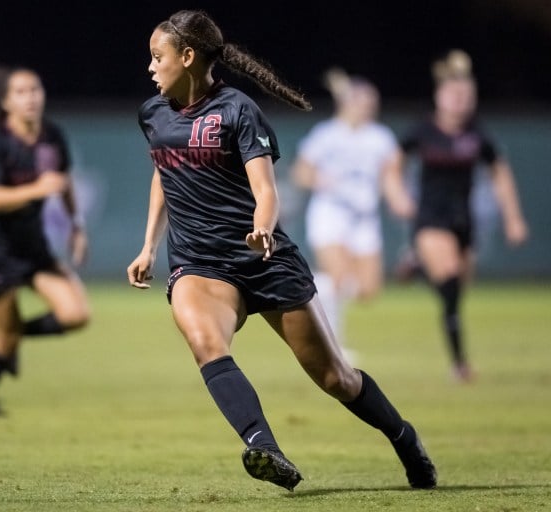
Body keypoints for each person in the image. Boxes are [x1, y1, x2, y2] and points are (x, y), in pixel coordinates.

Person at [127, 9, 436, 491]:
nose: (150, 67)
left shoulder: (237, 110)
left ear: (187, 57)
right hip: (199, 264)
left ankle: (404, 438)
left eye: (157, 56)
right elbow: (163, 175)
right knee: (206, 343)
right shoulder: (154, 114)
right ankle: (264, 447)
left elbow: (266, 190)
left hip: (263, 260)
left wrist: (262, 228)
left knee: (338, 380)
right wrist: (148, 245)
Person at [385, 49, 528, 382]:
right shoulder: (423, 130)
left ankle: (418, 266)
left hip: (464, 220)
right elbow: (393, 166)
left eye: (467, 95)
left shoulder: (478, 133)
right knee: (449, 279)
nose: (461, 101)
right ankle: (460, 364)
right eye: (455, 94)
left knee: (456, 292)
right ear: (439, 97)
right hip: (430, 217)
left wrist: (514, 217)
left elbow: (500, 173)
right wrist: (397, 196)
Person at [0, 65, 90, 415]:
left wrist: (76, 225)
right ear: (6, 102)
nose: (30, 98)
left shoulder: (52, 137)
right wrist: (36, 188)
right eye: (20, 92)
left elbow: (63, 183)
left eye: (34, 90)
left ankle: (15, 337)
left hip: (33, 248)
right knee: (3, 339)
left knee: (76, 314)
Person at [290, 68, 400, 359]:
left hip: (365, 220)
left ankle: (310, 286)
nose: (369, 107)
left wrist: (399, 201)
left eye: (371, 102)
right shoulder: (326, 135)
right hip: (331, 214)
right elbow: (301, 173)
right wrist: (321, 180)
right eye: (364, 101)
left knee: (367, 290)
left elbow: (390, 176)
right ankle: (333, 348)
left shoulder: (381, 137)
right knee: (338, 279)